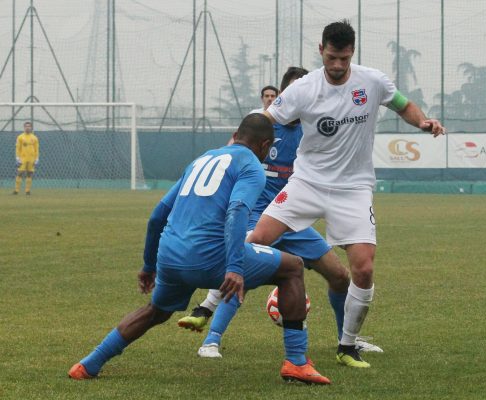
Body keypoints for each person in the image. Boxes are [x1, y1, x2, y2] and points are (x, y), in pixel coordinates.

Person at [68, 114, 330, 385]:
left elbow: (158, 215)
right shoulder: (251, 165)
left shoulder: (201, 159)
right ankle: (297, 362)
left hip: (170, 255)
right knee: (292, 267)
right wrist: (234, 267)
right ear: (265, 145)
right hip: (209, 257)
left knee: (155, 311)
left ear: (236, 134)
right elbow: (238, 209)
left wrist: (149, 266)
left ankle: (89, 364)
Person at [246, 20, 446, 369]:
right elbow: (267, 119)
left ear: (352, 52)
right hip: (306, 183)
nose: (337, 65)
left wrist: (423, 122)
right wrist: (240, 143)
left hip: (353, 189)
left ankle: (347, 346)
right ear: (321, 50)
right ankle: (209, 303)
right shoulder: (303, 88)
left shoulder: (372, 81)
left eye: (344, 58)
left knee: (363, 269)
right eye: (332, 58)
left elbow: (403, 104)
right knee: (257, 238)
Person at [177, 67, 382, 359]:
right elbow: (231, 155)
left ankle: (348, 341)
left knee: (339, 276)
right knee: (242, 271)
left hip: (294, 219)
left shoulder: (312, 130)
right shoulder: (263, 130)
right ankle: (210, 336)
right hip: (260, 217)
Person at [13, 121, 39, 195]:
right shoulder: (20, 137)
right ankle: (16, 191)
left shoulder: (34, 138)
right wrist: (17, 158)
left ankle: (27, 191)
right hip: (23, 158)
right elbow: (18, 148)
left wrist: (37, 158)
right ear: (24, 128)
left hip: (31, 158)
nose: (27, 128)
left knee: (29, 174)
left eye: (29, 126)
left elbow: (36, 149)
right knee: (20, 173)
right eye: (26, 126)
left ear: (31, 128)